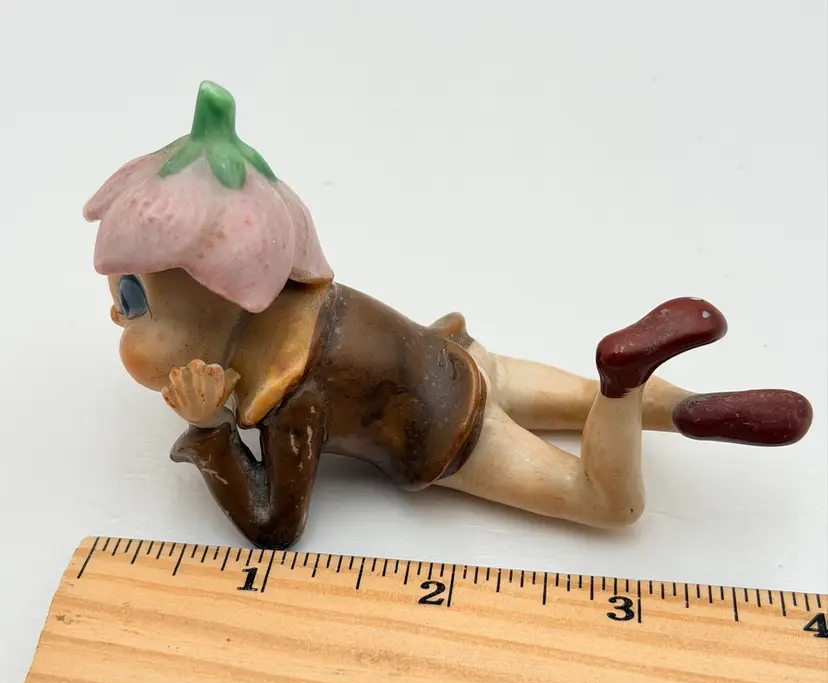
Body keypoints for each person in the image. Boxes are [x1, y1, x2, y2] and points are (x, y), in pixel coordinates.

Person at [85, 81, 813, 549]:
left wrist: (212, 430)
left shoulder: (287, 400)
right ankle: (684, 406)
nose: (118, 318)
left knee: (606, 507)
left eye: (134, 299)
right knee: (576, 397)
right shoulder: (302, 288)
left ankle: (623, 395)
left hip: (453, 432)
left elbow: (275, 524)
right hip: (463, 358)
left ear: (223, 288)